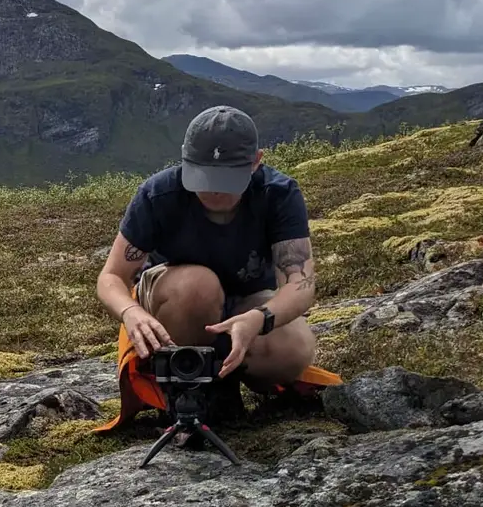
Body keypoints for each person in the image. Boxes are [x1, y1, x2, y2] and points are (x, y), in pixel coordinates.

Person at [95, 105, 318, 392]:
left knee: (294, 349)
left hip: (248, 301)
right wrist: (130, 312)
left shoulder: (278, 194)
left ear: (256, 162)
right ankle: (181, 384)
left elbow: (300, 284)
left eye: (227, 180)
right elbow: (111, 277)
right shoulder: (159, 194)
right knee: (198, 287)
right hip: (178, 300)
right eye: (203, 176)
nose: (214, 190)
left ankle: (225, 381)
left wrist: (259, 318)